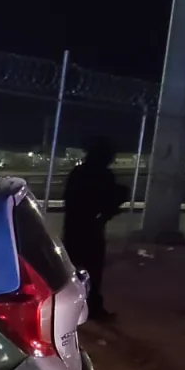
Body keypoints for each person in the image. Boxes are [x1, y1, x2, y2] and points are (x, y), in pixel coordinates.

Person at [61, 137, 128, 321]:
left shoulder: (79, 172)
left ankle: (72, 308)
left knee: (73, 270)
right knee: (91, 270)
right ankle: (89, 307)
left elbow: (69, 200)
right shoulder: (101, 175)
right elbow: (104, 200)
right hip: (89, 227)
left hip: (76, 228)